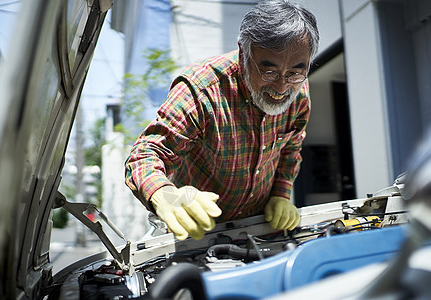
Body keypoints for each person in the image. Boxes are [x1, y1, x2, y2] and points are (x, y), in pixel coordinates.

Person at [125, 0, 319, 240]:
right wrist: (164, 195)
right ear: (243, 53)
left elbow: (291, 148)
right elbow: (145, 154)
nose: (281, 86)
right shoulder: (201, 89)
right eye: (268, 72)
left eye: (295, 72)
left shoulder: (298, 91)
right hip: (194, 233)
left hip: (258, 229)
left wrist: (280, 194)